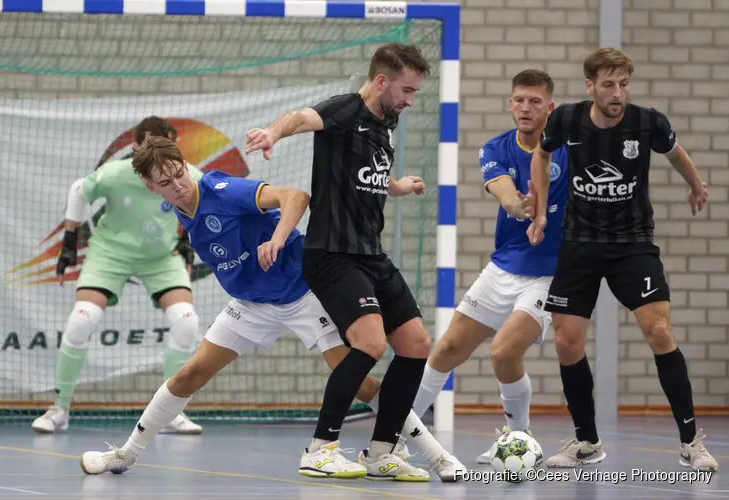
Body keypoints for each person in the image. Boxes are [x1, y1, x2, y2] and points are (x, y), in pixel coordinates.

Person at [79, 136, 462, 482]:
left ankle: (436, 455)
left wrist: (277, 238)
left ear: (185, 165)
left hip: (303, 293)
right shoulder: (179, 209)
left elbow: (295, 196)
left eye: (179, 174)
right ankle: (125, 455)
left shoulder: (220, 189)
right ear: (151, 187)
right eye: (165, 183)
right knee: (190, 374)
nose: (177, 186)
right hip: (251, 304)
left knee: (362, 384)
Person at [245, 42, 463, 481]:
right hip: (332, 255)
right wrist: (273, 133)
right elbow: (300, 118)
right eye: (406, 90)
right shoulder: (345, 110)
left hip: (370, 253)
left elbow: (370, 177)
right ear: (381, 80)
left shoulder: (387, 122)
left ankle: (381, 452)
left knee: (417, 345)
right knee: (369, 343)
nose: (409, 100)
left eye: (415, 92)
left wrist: (397, 186)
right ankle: (320, 448)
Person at [526, 47, 718, 471]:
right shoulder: (566, 120)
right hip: (580, 244)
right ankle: (587, 442)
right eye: (609, 84)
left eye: (624, 84)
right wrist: (539, 210)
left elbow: (675, 152)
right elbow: (542, 154)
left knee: (660, 332)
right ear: (590, 86)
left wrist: (695, 183)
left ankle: (691, 442)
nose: (618, 92)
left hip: (632, 243)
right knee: (565, 342)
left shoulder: (648, 121)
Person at [407, 69, 568, 464]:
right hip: (503, 269)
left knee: (502, 352)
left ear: (550, 108)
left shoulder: (569, 148)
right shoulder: (494, 148)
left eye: (535, 101)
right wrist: (522, 206)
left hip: (551, 274)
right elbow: (504, 193)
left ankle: (519, 437)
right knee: (446, 348)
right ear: (510, 104)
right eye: (519, 100)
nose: (526, 108)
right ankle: (396, 433)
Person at [32, 116, 204, 435]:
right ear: (136, 148)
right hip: (110, 254)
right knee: (81, 319)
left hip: (160, 258)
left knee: (187, 320)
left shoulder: (189, 175)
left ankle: (168, 413)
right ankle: (60, 408)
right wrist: (70, 241)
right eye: (150, 147)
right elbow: (79, 189)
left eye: (166, 148)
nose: (159, 156)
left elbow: (201, 202)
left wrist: (187, 239)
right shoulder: (115, 174)